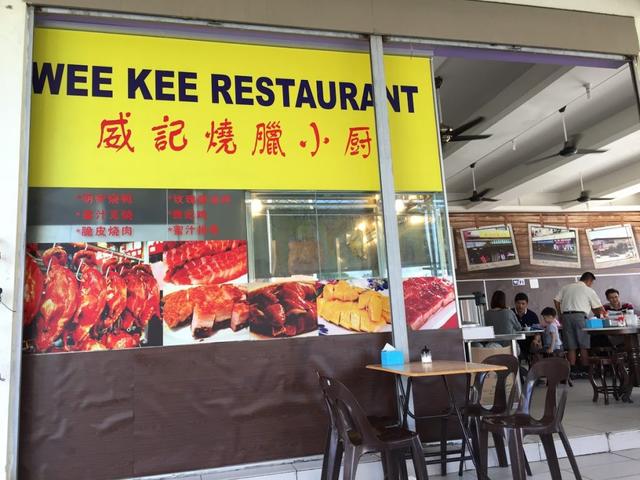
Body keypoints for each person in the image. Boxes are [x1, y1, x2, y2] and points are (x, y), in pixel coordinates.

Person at [554, 272, 605, 377]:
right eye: (591, 283)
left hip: (566, 316)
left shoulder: (566, 287)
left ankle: (572, 371)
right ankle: (585, 370)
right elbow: (598, 308)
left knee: (571, 346)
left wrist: (560, 314)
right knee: (583, 345)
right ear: (589, 280)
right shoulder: (588, 290)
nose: (591, 285)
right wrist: (602, 316)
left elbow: (556, 300)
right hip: (580, 317)